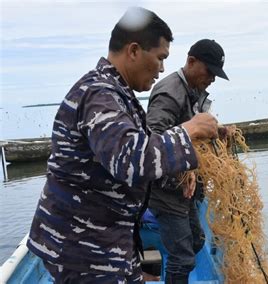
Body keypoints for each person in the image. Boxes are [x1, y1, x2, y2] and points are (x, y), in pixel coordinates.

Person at [26, 7, 218, 283]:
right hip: (83, 246)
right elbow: (130, 161)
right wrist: (189, 129)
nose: (162, 68)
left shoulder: (115, 93)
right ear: (134, 51)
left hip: (105, 236)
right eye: (160, 57)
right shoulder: (99, 94)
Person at [146, 39, 229, 283]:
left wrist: (219, 130)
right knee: (183, 258)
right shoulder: (169, 93)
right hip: (164, 190)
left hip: (185, 188)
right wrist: (183, 168)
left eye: (216, 74)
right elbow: (153, 139)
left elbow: (194, 125)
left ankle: (171, 268)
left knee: (196, 241)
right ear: (191, 62)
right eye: (210, 71)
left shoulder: (192, 89)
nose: (212, 79)